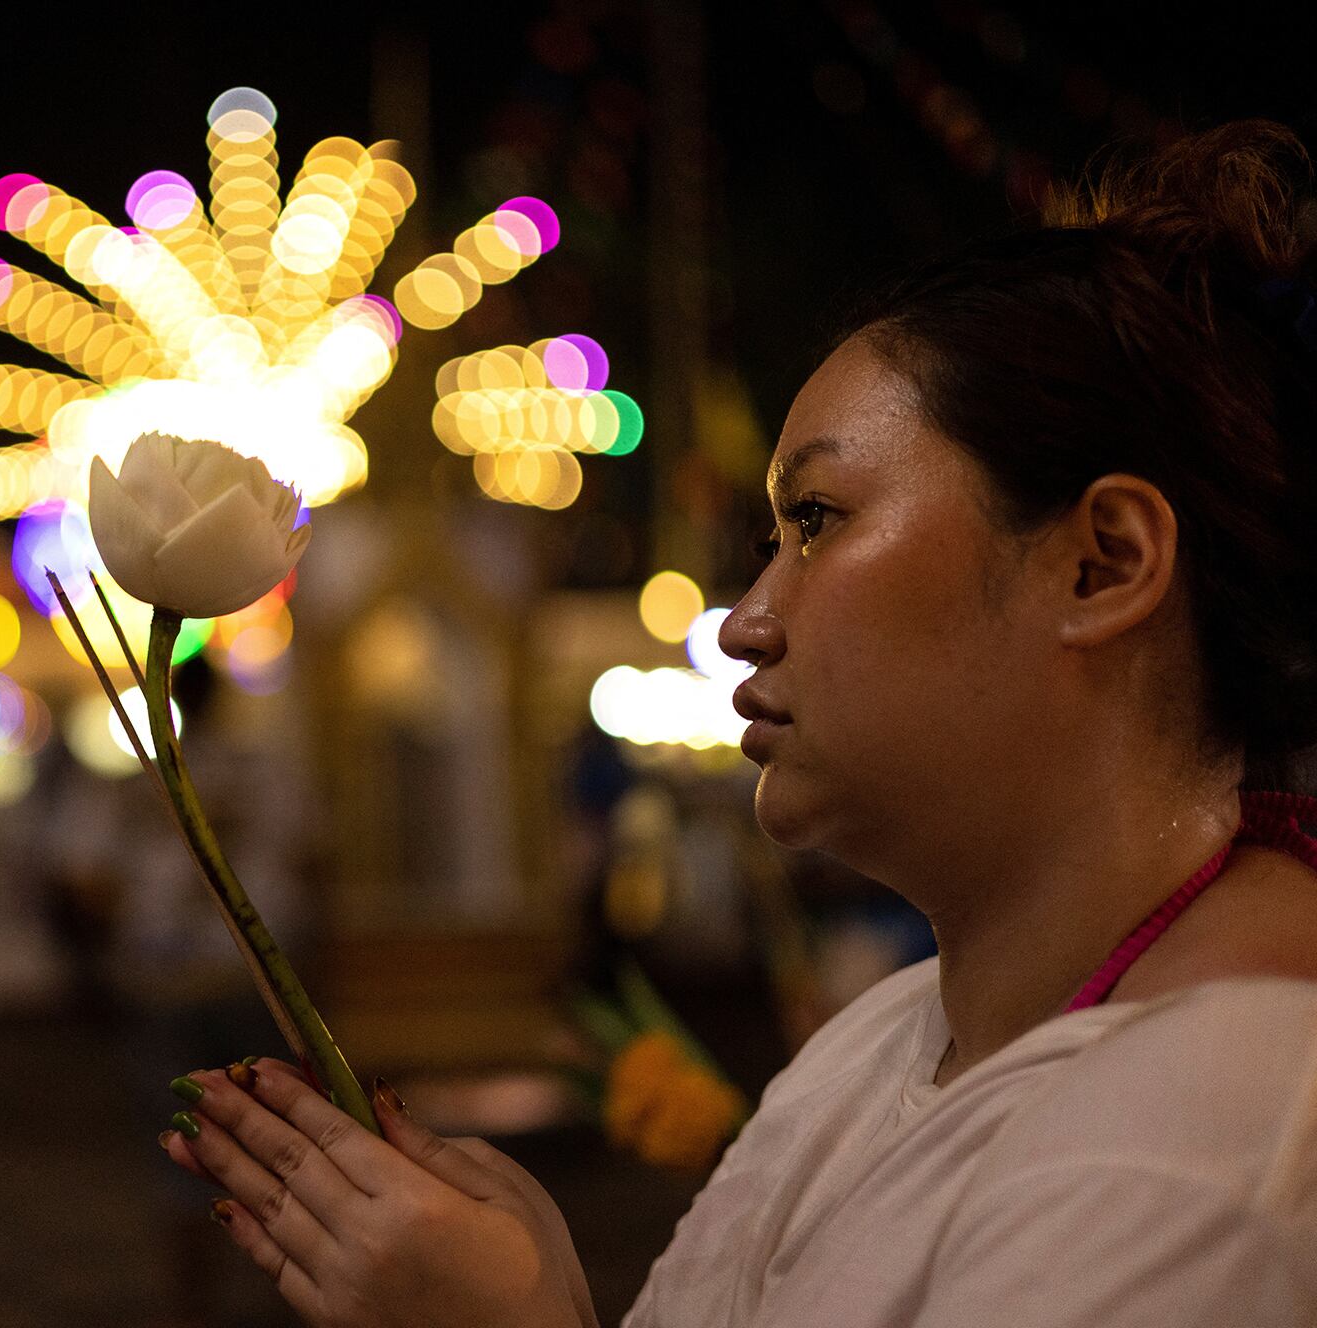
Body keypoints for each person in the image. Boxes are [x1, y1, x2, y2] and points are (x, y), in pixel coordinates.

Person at [153, 119, 1317, 1327]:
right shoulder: (885, 1040)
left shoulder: (1201, 1139)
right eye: (771, 542)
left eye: (817, 518)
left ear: (1100, 564)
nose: (747, 623)